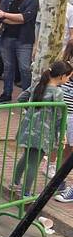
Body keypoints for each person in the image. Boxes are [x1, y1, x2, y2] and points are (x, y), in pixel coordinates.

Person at [11, 61, 73, 196]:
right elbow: (59, 116)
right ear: (62, 76)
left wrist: (32, 111)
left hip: (28, 128)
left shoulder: (37, 85)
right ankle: (25, 193)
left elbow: (21, 99)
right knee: (34, 163)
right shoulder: (57, 93)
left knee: (26, 157)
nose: (68, 80)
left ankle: (14, 183)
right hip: (43, 133)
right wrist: (61, 134)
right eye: (68, 77)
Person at [0, 0, 39, 103]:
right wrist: (17, 19)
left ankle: (27, 97)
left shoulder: (33, 1)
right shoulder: (7, 0)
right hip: (7, 37)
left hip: (24, 40)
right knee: (8, 68)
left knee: (25, 68)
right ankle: (6, 94)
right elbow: (0, 17)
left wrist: (8, 16)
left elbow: (25, 18)